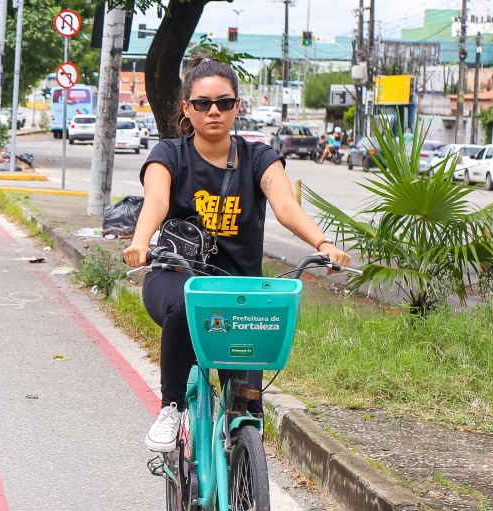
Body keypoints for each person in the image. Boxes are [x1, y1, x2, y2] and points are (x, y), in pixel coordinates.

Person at [122, 56, 351, 452]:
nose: (214, 111)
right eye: (202, 103)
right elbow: (156, 201)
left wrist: (323, 244)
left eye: (224, 103)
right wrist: (141, 241)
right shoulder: (169, 155)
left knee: (247, 406)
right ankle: (172, 406)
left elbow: (285, 206)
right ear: (187, 109)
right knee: (183, 302)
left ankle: (244, 496)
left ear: (237, 107)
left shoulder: (259, 156)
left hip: (240, 288)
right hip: (176, 274)